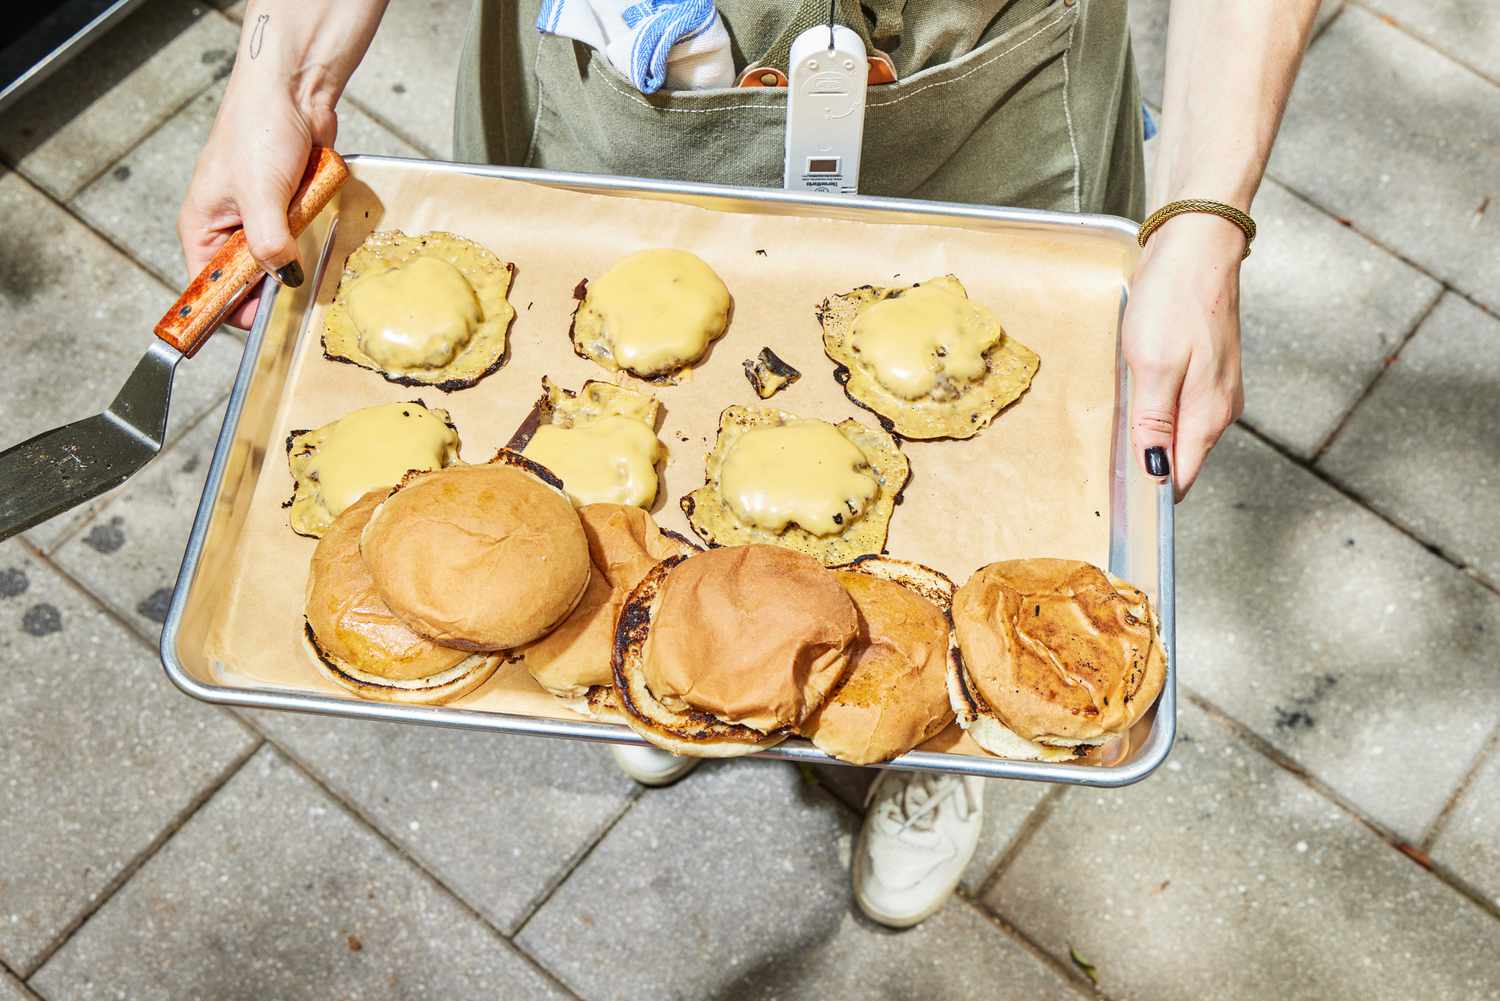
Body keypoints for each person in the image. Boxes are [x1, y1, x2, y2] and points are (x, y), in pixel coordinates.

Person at [181, 0, 1321, 929]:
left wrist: (1206, 223)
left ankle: (947, 719)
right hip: (616, 79)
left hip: (981, 85)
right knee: (595, 513)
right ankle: (664, 654)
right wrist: (281, 76)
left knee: (974, 539)